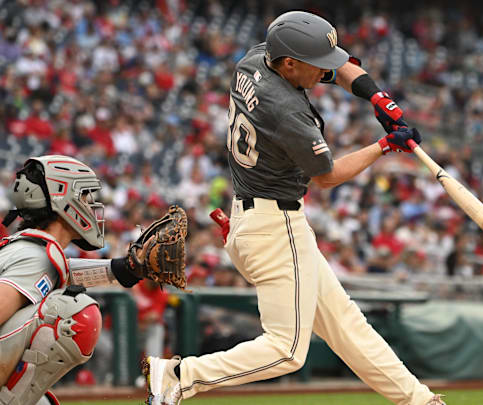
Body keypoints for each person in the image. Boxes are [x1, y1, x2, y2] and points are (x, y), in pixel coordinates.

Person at [143, 10, 445, 405]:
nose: (325, 73)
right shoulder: (287, 111)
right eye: (316, 67)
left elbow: (341, 66)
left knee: (345, 323)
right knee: (286, 350)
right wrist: (385, 145)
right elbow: (327, 176)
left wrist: (376, 95)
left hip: (257, 218)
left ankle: (418, 400)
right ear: (289, 64)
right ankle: (180, 375)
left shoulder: (255, 59)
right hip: (274, 226)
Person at [0, 155, 163, 405]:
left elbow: (63, 270)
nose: (91, 205)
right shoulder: (34, 256)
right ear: (62, 198)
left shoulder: (35, 250)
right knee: (72, 313)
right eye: (85, 196)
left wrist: (126, 269)